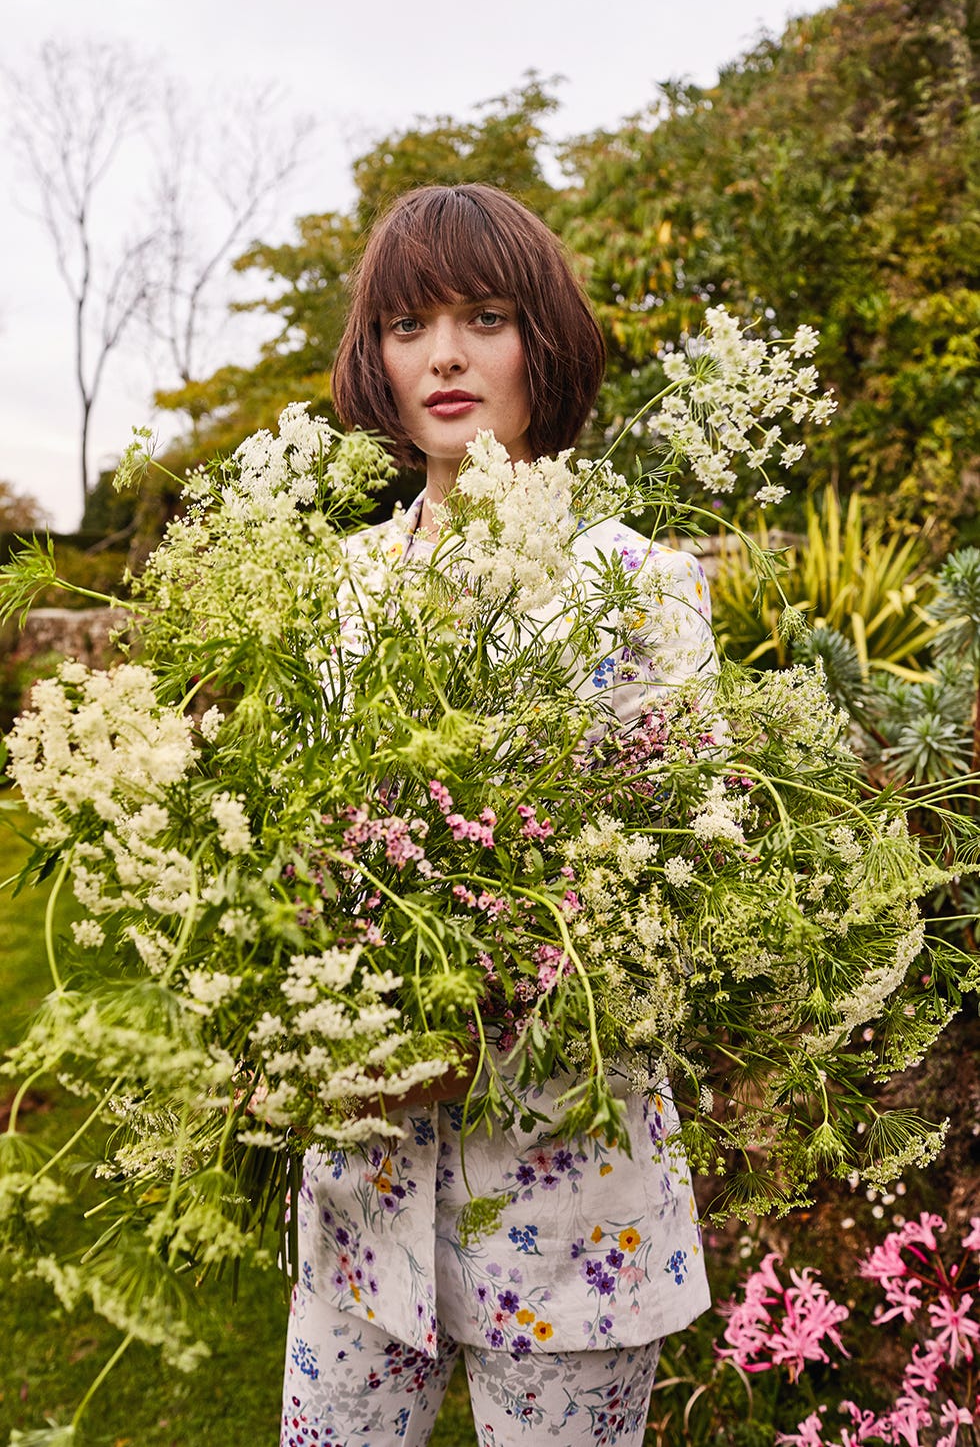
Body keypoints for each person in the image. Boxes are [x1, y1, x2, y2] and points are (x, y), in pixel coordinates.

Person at [280, 184, 715, 1447]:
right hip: (366, 1184)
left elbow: (682, 871)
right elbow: (298, 845)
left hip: (570, 1184)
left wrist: (512, 953)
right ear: (376, 358)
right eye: (409, 325)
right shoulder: (335, 590)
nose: (447, 357)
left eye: (485, 316)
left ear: (546, 344)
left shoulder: (638, 583)